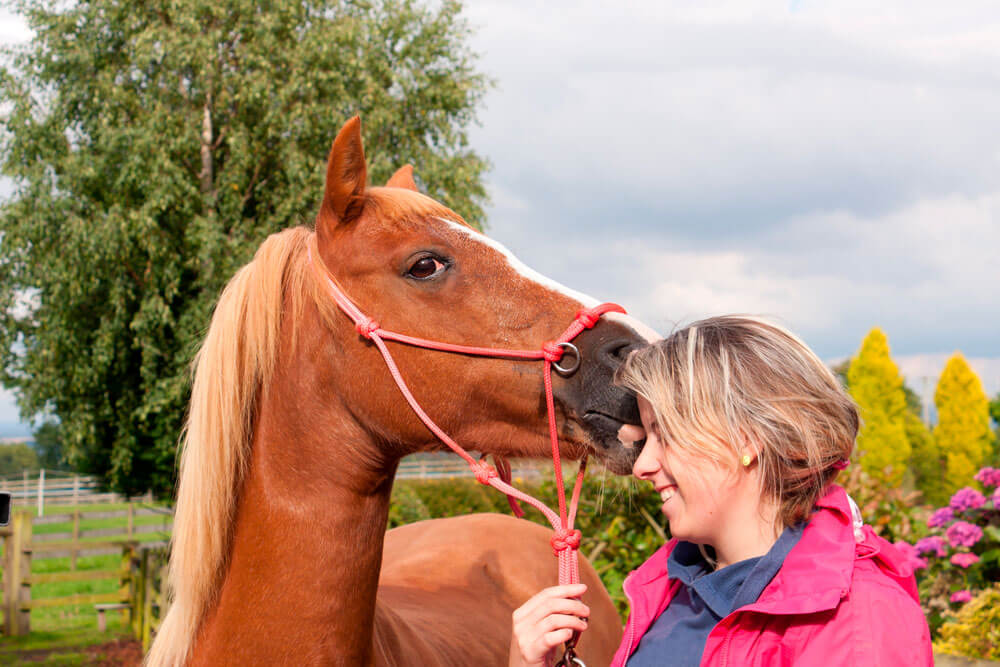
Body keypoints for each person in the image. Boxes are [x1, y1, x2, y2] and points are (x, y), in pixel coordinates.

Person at [509, 315, 933, 666]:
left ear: (746, 439)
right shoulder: (673, 588)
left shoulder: (861, 623)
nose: (641, 466)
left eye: (664, 435)